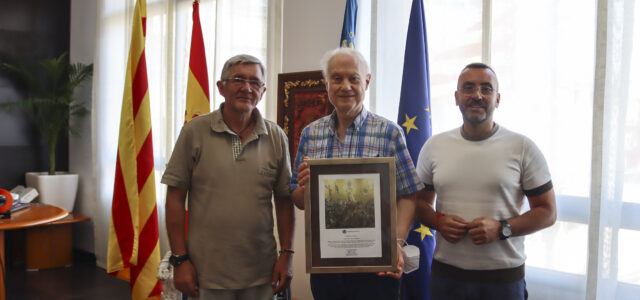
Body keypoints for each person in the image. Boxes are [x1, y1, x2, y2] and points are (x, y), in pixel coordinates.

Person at [290, 48, 425, 299]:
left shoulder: (389, 132)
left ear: (367, 81)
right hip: (326, 266)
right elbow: (298, 200)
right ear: (326, 83)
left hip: (377, 267)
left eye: (353, 78)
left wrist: (395, 244)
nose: (345, 86)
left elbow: (409, 195)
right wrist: (304, 187)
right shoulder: (311, 133)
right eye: (337, 78)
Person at [414, 62, 557, 299]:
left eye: (486, 89)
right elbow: (418, 205)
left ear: (497, 99)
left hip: (504, 282)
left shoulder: (523, 148)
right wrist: (438, 221)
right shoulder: (434, 147)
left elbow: (548, 212)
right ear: (457, 97)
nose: (477, 95)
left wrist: (503, 229)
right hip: (447, 280)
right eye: (468, 88)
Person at [162, 54, 295, 299]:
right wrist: (179, 259)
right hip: (206, 275)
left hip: (262, 273)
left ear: (263, 91)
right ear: (221, 87)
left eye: (255, 82)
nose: (247, 88)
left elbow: (285, 200)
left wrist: (287, 254)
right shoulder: (194, 132)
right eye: (238, 79)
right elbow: (175, 198)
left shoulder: (276, 137)